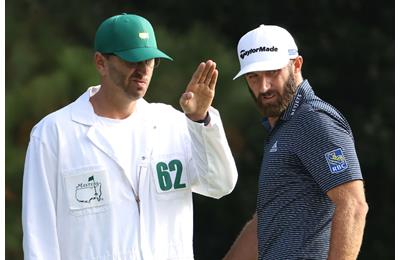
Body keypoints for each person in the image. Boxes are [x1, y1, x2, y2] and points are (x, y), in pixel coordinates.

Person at [22, 13, 238, 260]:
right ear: (101, 62)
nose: (143, 70)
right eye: (132, 60)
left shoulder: (174, 124)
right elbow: (40, 236)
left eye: (149, 61)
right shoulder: (54, 134)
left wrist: (200, 120)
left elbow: (220, 184)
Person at [223, 25, 368, 260]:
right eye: (253, 77)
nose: (263, 87)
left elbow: (353, 205)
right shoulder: (282, 127)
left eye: (272, 72)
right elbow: (267, 219)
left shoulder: (314, 120)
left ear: (296, 64)